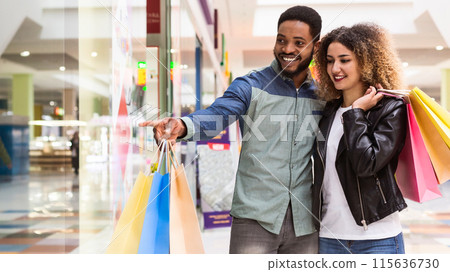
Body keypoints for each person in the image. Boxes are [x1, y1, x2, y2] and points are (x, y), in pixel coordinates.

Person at [140, 6, 324, 254]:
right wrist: (182, 126)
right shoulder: (251, 85)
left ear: (316, 46)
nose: (287, 49)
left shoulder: (323, 96)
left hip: (305, 224)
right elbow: (217, 115)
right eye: (281, 40)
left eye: (298, 42)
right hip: (254, 220)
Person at [312, 23, 408, 254]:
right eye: (329, 60)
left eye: (344, 60)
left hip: (377, 239)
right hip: (329, 237)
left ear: (366, 61)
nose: (335, 68)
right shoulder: (328, 112)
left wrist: (356, 112)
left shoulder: (390, 109)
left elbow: (367, 163)